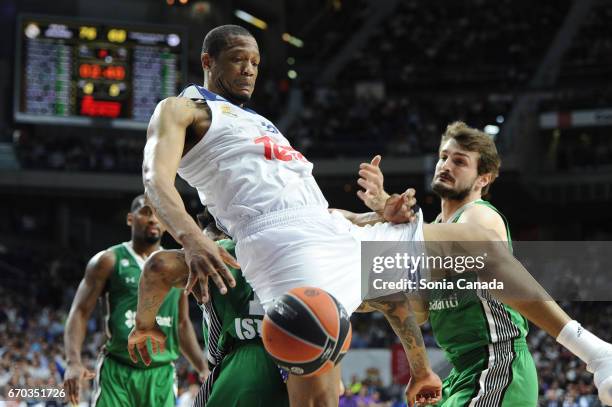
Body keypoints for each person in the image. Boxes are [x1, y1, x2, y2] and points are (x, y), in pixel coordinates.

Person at [139, 24, 612, 406]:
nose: (249, 70)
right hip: (284, 253)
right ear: (207, 62)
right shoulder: (183, 109)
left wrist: (374, 217)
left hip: (332, 234)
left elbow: (315, 210)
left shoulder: (263, 122)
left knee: (477, 251)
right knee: (321, 396)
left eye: (256, 62)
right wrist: (191, 237)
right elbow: (155, 181)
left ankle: (596, 356)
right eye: (238, 60)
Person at [357, 122, 539, 405]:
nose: (446, 165)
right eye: (443, 157)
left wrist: (386, 213)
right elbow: (419, 312)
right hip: (463, 370)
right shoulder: (439, 228)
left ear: (483, 179)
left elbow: (430, 253)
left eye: (459, 161)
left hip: (498, 362)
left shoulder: (478, 216)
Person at [128, 209, 290, 406]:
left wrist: (144, 324)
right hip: (296, 366)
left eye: (205, 241)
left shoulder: (217, 253)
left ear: (221, 235)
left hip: (239, 367)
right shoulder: (293, 244)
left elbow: (157, 266)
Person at [63, 195, 208, 406]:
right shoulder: (108, 260)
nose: (152, 219)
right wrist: (73, 361)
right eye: (145, 212)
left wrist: (202, 367)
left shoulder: (177, 265)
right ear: (130, 219)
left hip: (161, 373)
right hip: (118, 371)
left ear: (166, 224)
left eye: (158, 214)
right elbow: (80, 312)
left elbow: (182, 323)